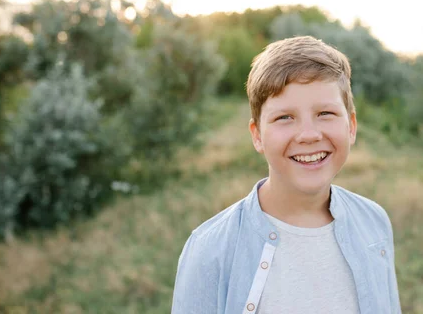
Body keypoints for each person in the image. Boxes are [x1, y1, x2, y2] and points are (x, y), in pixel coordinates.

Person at [171, 36, 402, 314]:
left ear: (351, 126)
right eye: (285, 117)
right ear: (257, 135)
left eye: (325, 113)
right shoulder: (209, 250)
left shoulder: (374, 222)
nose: (308, 135)